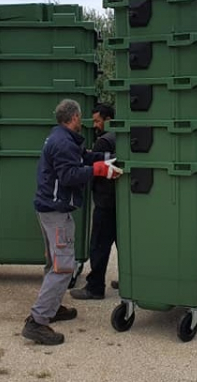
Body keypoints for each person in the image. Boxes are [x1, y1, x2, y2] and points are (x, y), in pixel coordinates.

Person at [22, 99, 122, 346]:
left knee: (54, 262)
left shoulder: (61, 138)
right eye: (82, 117)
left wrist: (110, 158)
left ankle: (52, 308)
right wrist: (100, 170)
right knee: (63, 265)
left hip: (47, 209)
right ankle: (37, 321)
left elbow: (84, 157)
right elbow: (69, 175)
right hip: (56, 213)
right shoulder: (62, 142)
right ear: (75, 117)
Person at [70, 103, 117, 300]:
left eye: (98, 121)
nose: (95, 125)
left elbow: (94, 169)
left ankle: (95, 287)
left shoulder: (104, 141)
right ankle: (130, 281)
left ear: (108, 120)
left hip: (105, 202)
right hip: (122, 202)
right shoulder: (121, 136)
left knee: (98, 245)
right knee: (125, 244)